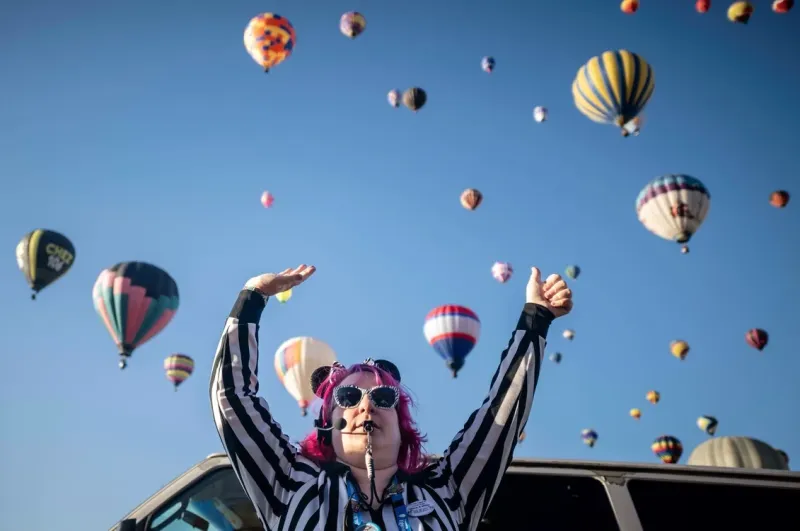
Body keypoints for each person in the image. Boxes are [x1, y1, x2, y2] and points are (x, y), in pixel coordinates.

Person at [211, 264, 573, 530]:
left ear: (402, 427)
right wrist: (252, 297)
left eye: (384, 398)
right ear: (326, 426)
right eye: (348, 397)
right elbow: (232, 397)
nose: (366, 405)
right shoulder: (291, 483)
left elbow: (502, 414)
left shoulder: (447, 488)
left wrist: (536, 317)